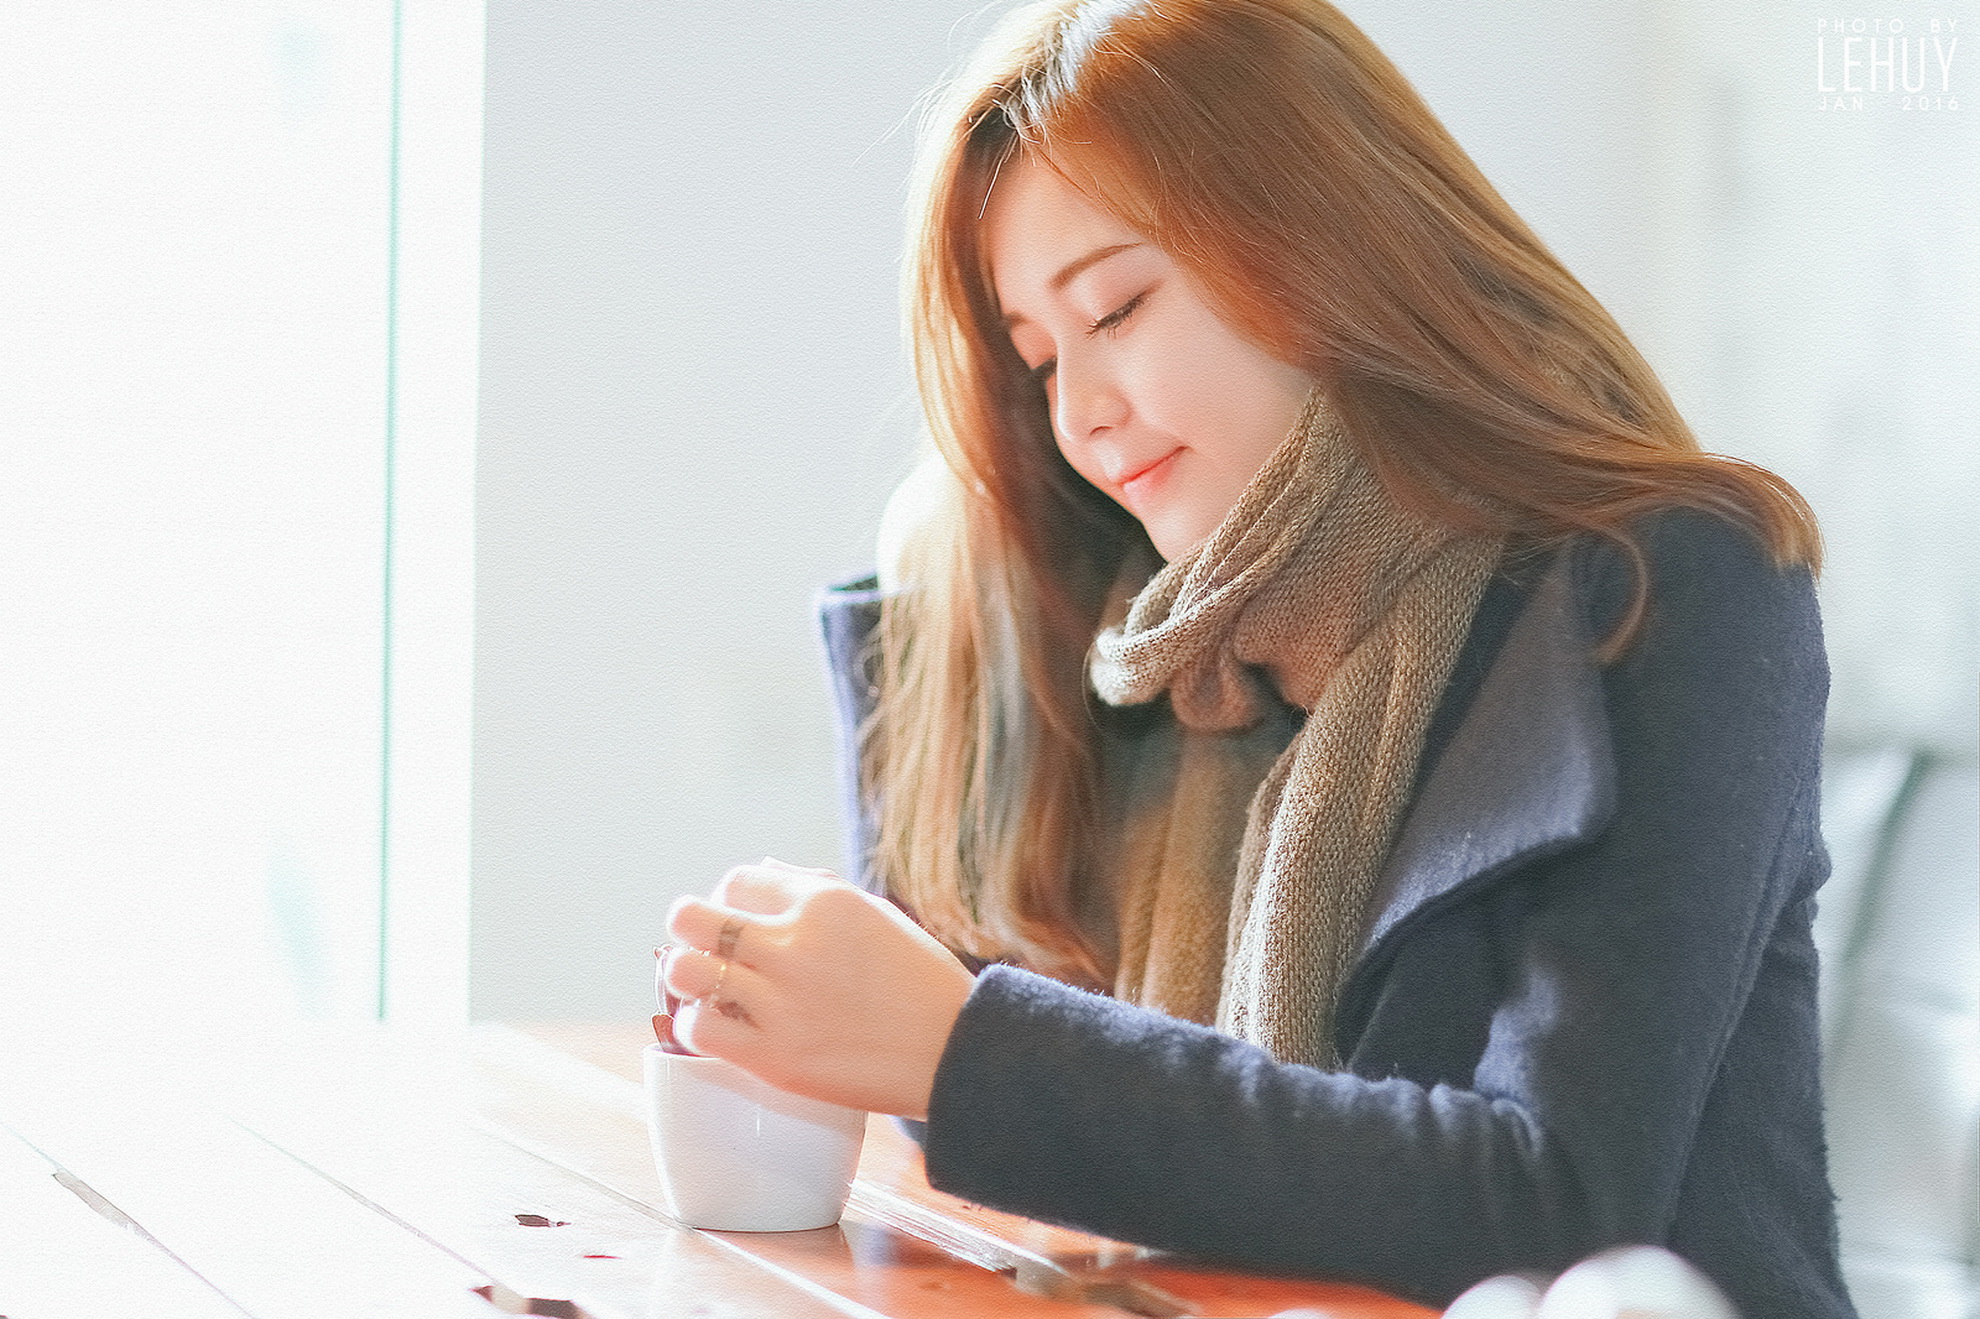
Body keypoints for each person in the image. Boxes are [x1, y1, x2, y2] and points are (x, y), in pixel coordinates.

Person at [662, 2, 1855, 1314]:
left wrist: (966, 1048)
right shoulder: (1172, 639)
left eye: (1114, 307)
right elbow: (953, 1063)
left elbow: (1552, 1190)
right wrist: (945, 533)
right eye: (1037, 359)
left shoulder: (1677, 579)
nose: (1078, 415)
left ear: (1324, 240)